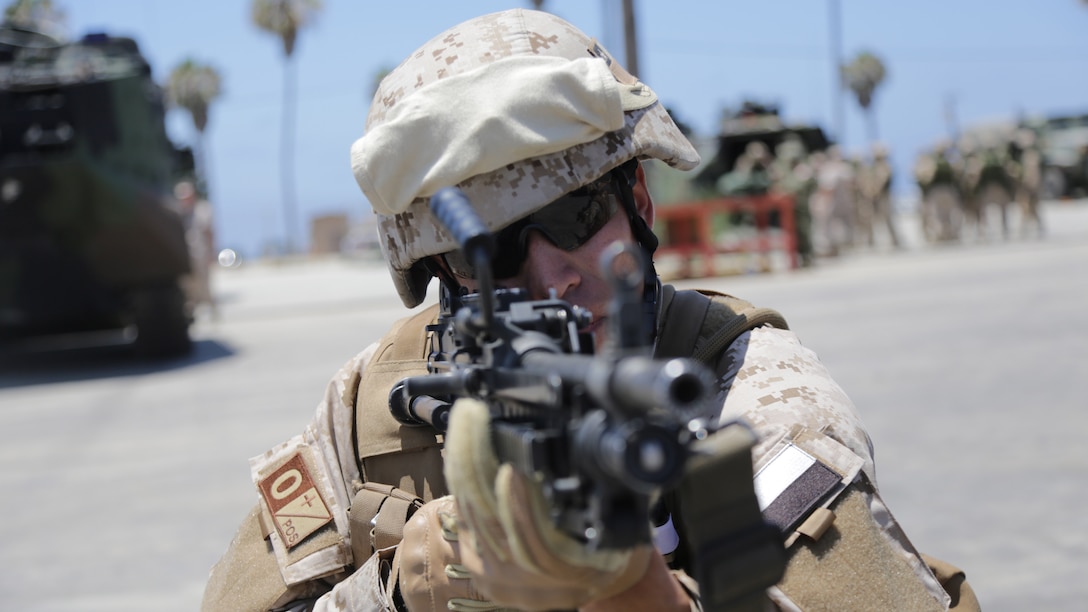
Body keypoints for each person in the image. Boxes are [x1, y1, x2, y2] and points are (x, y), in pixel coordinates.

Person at [202, 9, 976, 612]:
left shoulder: (751, 395)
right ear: (442, 269)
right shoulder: (372, 406)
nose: (552, 279)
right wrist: (404, 587)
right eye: (497, 251)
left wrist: (635, 588)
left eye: (576, 217)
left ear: (636, 201)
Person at [174, 179, 218, 319]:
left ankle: (213, 310)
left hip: (201, 254)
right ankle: (189, 313)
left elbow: (209, 233)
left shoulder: (202, 210)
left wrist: (211, 253)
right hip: (185, 255)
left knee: (204, 284)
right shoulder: (177, 212)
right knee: (187, 286)